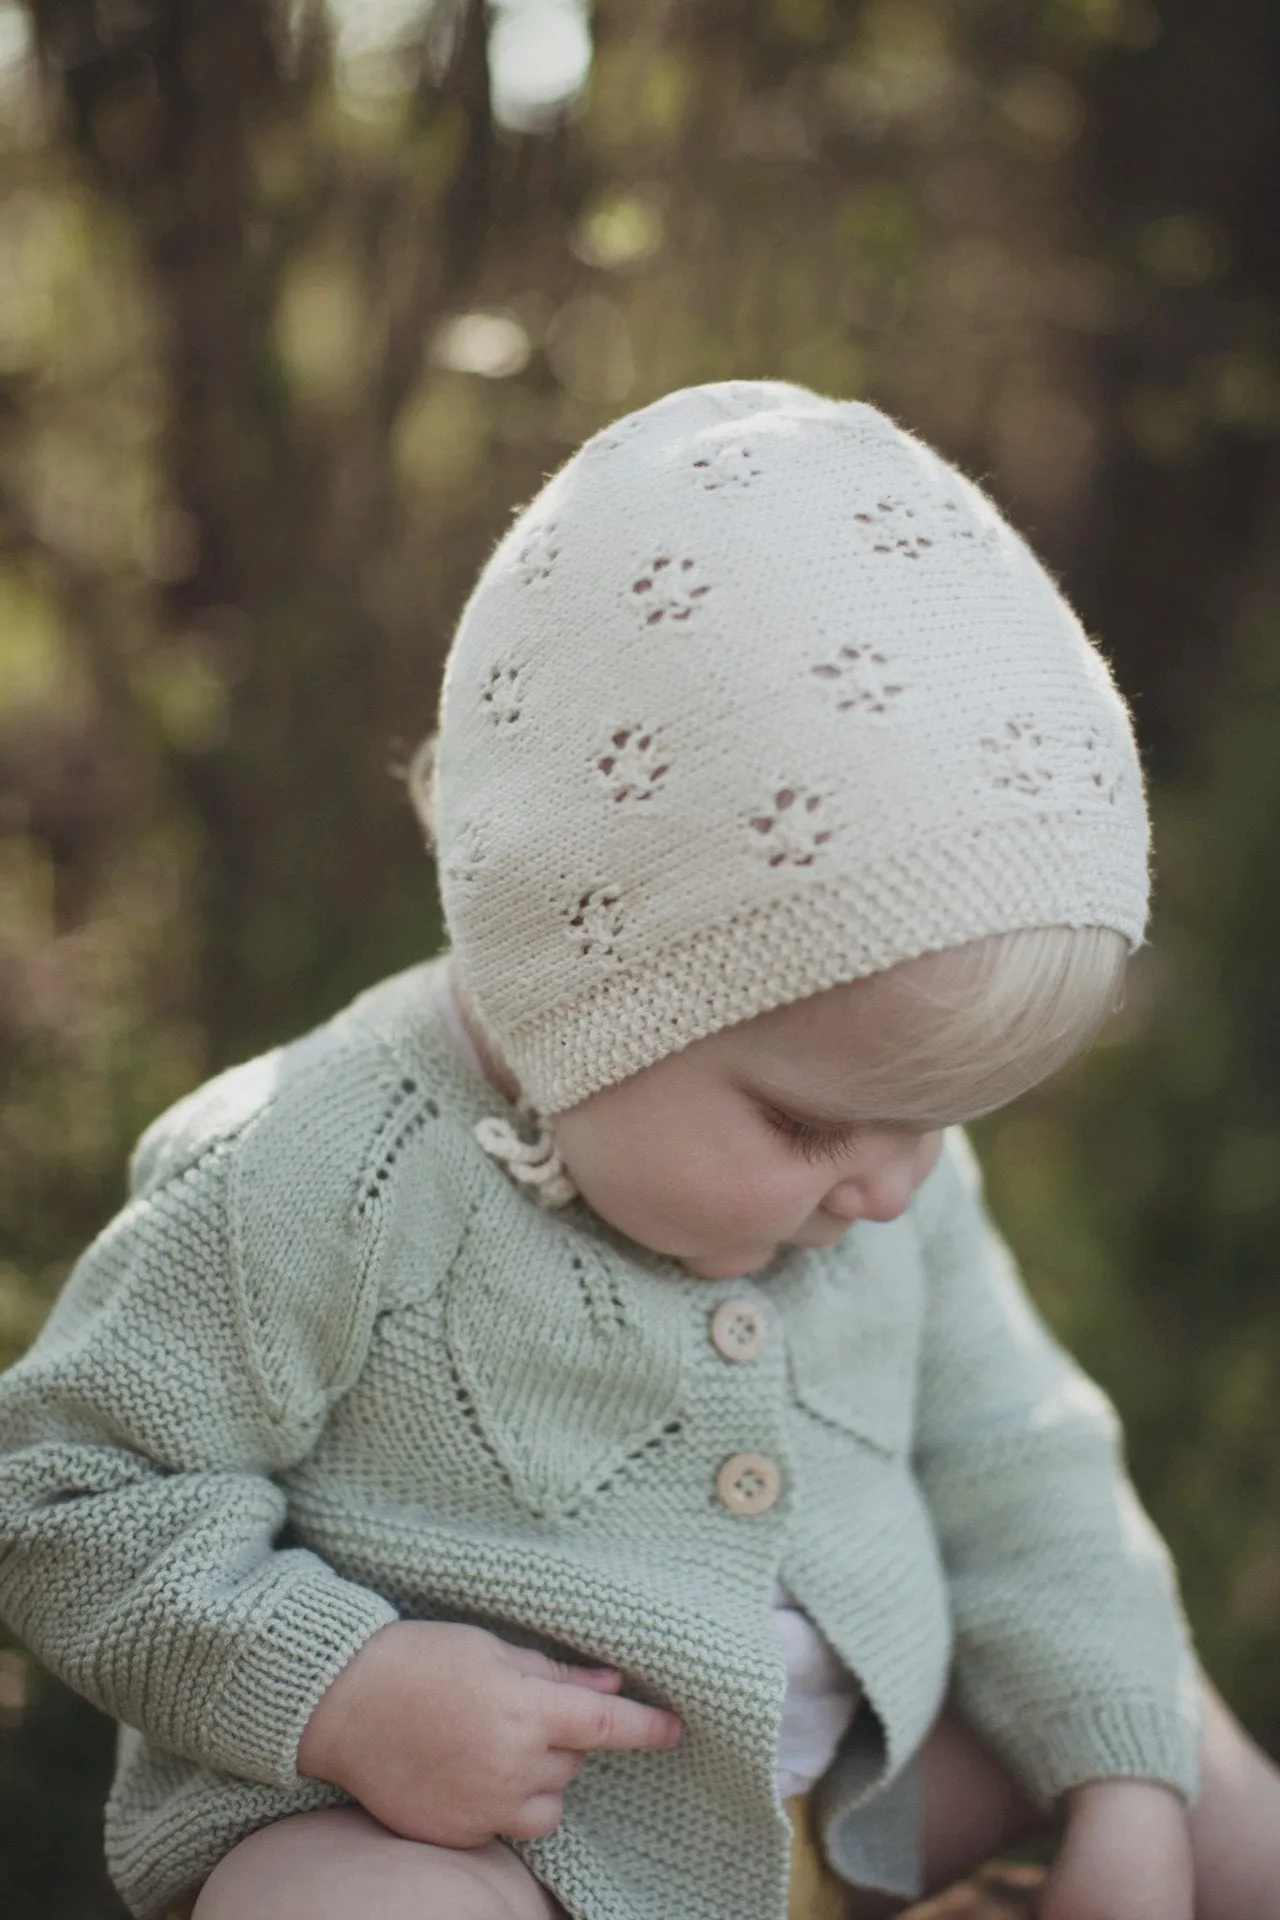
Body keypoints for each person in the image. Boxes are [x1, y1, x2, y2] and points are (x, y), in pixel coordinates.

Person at [0, 381, 1277, 1920]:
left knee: (1191, 1758)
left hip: (857, 1798)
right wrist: (342, 1687)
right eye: (809, 1125)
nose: (890, 1190)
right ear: (581, 985)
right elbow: (61, 1492)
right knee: (341, 1904)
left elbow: (1023, 1459)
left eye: (942, 1123)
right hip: (512, 1840)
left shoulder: (884, 1175)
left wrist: (1123, 1792)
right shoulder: (309, 1168)